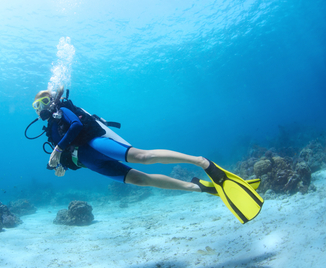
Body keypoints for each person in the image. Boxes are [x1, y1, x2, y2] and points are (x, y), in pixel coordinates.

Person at [31, 86, 264, 224]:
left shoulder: (62, 110)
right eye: (36, 105)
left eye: (43, 101)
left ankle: (201, 162)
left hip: (96, 145)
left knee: (144, 157)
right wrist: (62, 163)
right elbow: (62, 148)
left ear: (51, 100)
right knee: (143, 180)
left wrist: (58, 150)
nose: (41, 107)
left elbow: (76, 128)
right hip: (90, 162)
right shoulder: (49, 127)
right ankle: (200, 188)